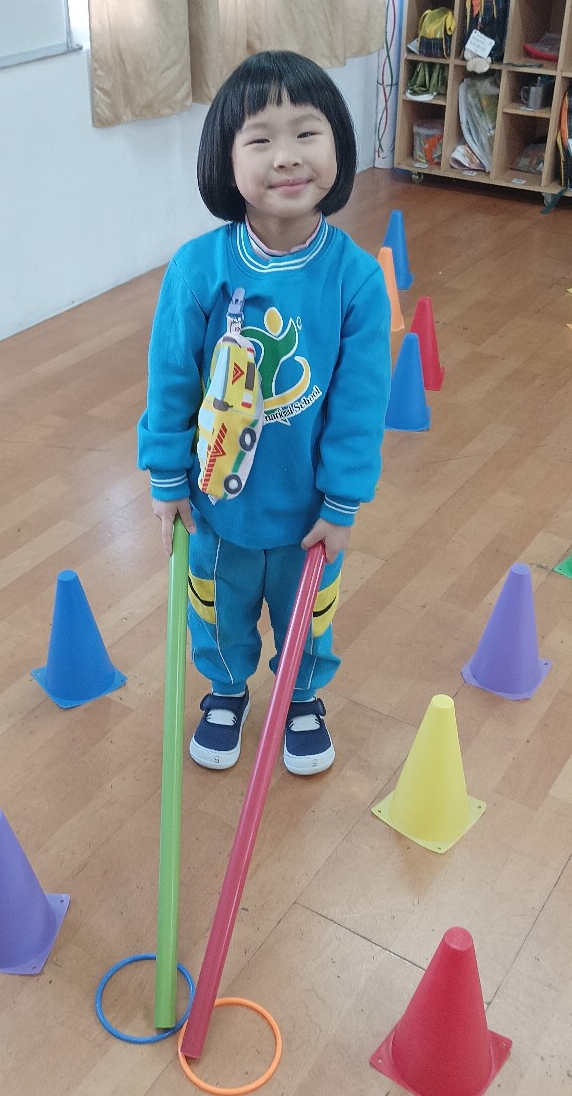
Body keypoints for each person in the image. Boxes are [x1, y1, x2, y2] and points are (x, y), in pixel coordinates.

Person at [137, 50, 391, 776]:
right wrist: (166, 476)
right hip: (217, 507)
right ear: (226, 160)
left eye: (307, 133)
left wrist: (343, 500)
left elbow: (360, 402)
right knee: (216, 609)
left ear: (339, 145)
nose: (287, 157)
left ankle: (300, 696)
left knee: (307, 616)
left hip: (310, 511)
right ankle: (225, 691)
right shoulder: (197, 269)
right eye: (260, 140)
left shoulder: (356, 280)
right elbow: (170, 380)